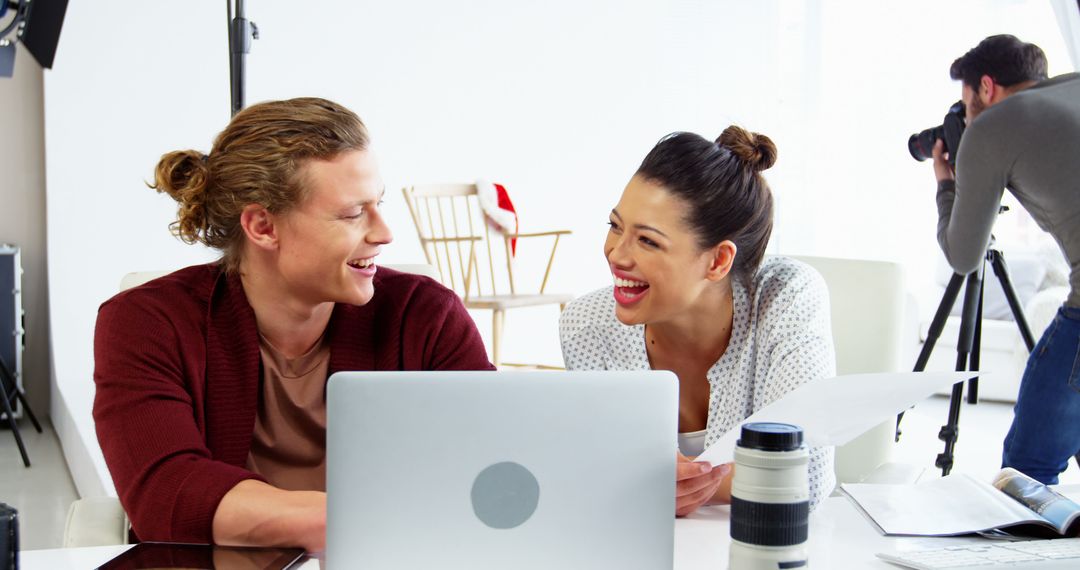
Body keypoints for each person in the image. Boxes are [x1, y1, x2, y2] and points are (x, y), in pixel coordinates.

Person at [92, 97, 494, 551]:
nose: (384, 232)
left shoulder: (426, 314)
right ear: (263, 226)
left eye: (377, 204)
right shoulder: (146, 322)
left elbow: (494, 464)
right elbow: (167, 496)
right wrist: (382, 520)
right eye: (352, 213)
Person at [559, 126, 836, 516]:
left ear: (718, 260)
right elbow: (593, 476)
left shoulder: (786, 296)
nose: (616, 255)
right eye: (615, 226)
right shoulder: (587, 327)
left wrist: (663, 485)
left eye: (648, 241)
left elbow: (802, 477)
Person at [931, 35, 1080, 485]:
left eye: (967, 103)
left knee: (1026, 472)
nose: (968, 114)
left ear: (987, 87)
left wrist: (946, 185)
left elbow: (963, 256)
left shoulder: (992, 128)